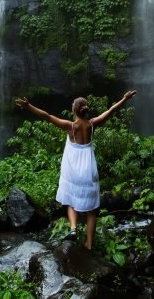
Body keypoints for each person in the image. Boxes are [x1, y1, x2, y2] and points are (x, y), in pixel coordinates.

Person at [14, 90, 137, 249]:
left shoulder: (70, 126)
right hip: (89, 169)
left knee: (70, 199)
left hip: (72, 169)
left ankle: (73, 229)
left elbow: (47, 116)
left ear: (74, 110)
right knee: (92, 210)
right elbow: (111, 111)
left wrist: (28, 106)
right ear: (86, 110)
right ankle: (89, 244)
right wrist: (124, 99)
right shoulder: (92, 124)